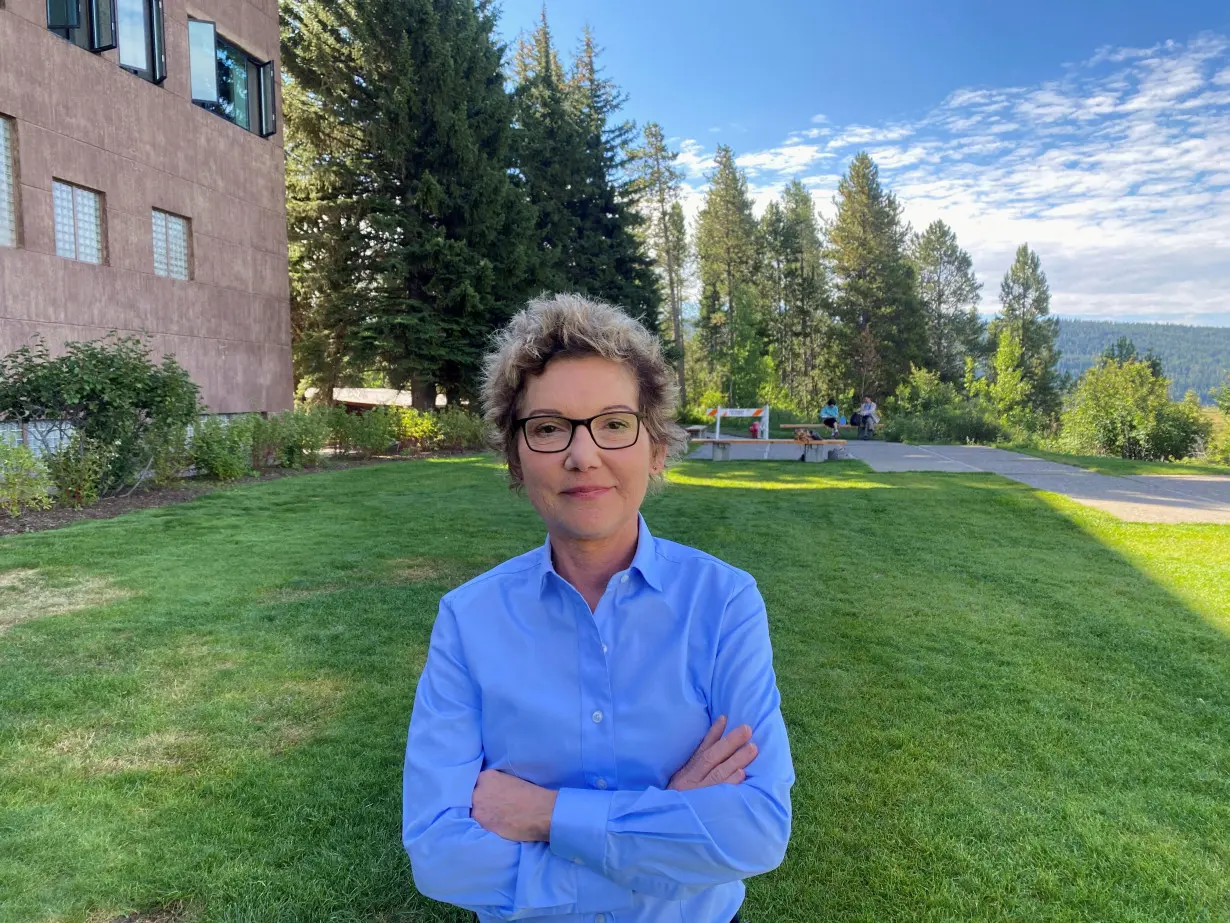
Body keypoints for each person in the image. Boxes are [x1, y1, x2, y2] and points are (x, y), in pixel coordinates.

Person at [402, 294, 795, 923]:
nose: (583, 455)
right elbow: (439, 853)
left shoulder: (724, 604)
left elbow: (755, 830)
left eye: (614, 423)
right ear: (515, 457)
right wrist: (668, 846)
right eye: (550, 427)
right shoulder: (468, 621)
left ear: (656, 447)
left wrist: (543, 816)